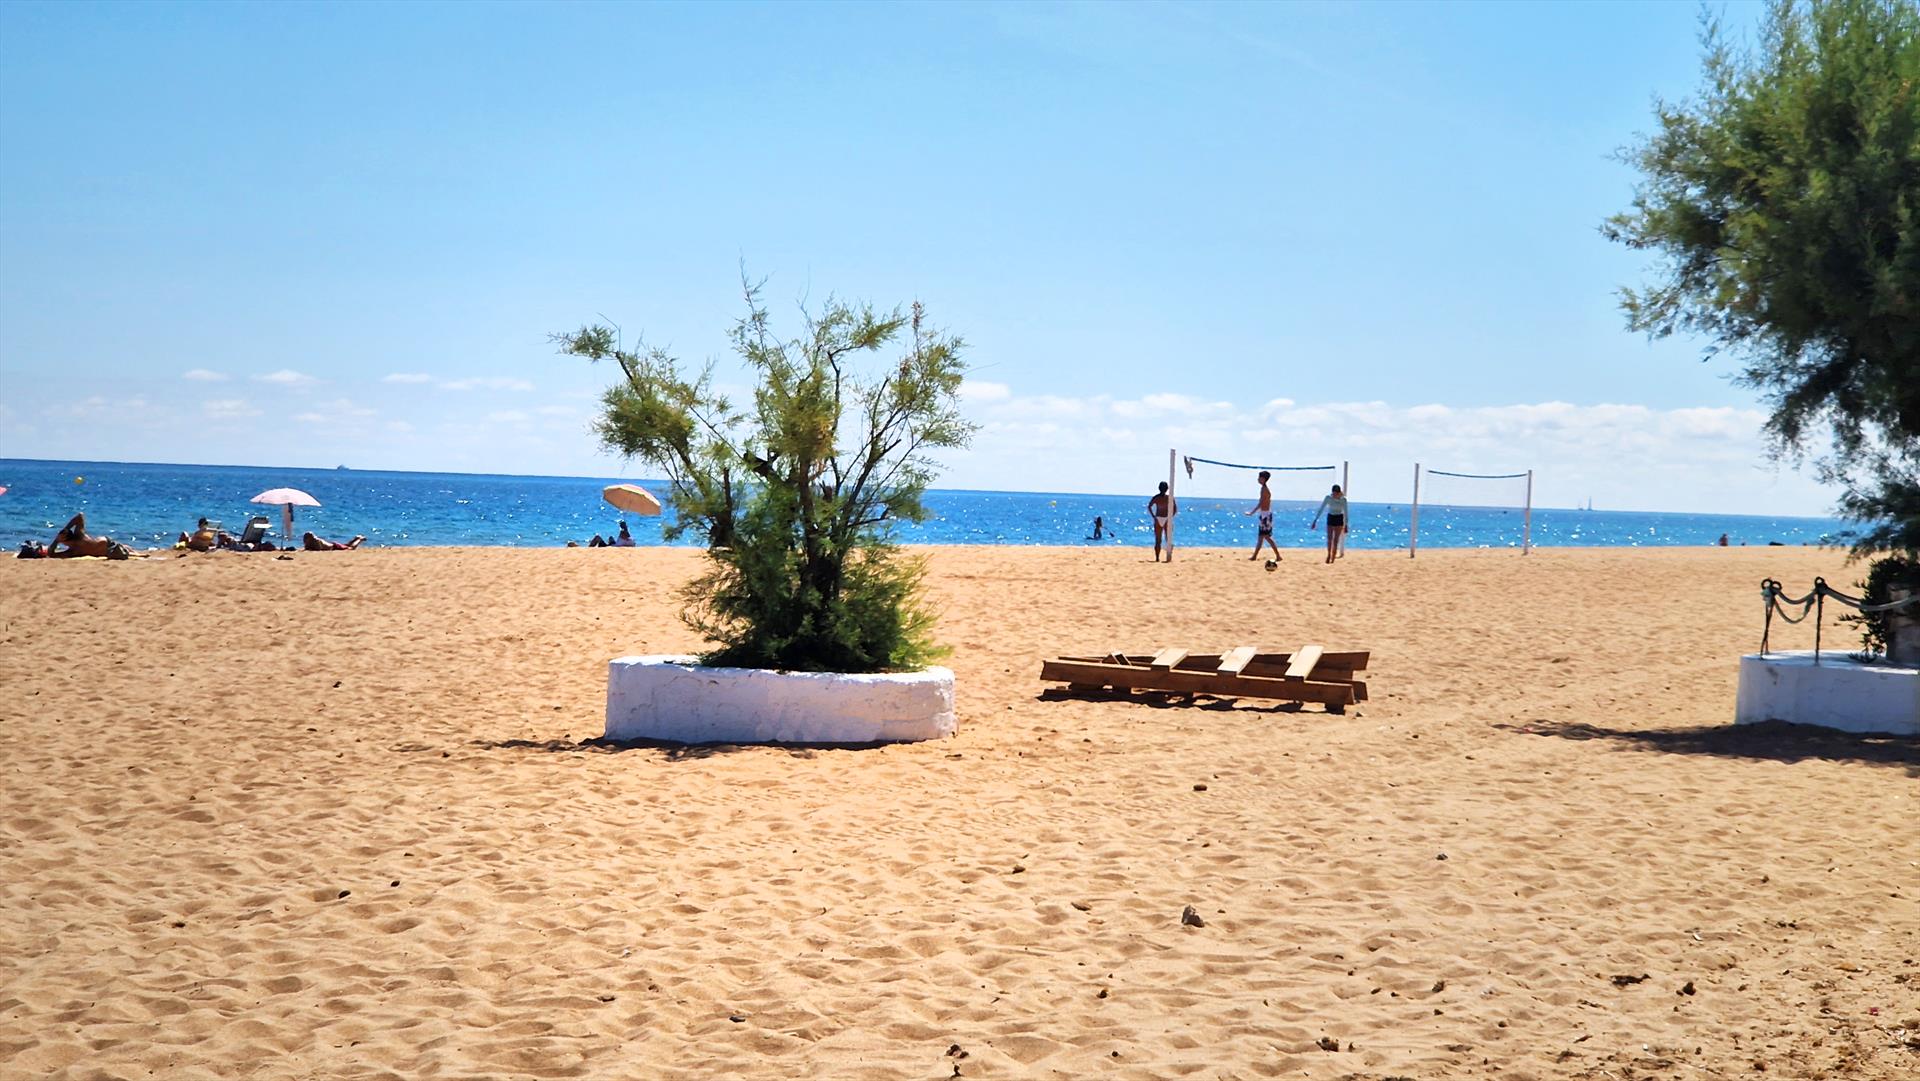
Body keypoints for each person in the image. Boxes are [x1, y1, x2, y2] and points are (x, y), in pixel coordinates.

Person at [48, 513, 128, 559]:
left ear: (63, 541)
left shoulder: (74, 550)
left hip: (108, 547)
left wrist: (56, 541)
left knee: (127, 550)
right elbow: (80, 516)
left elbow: (51, 554)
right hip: (107, 545)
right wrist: (66, 529)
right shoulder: (79, 536)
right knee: (127, 549)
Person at [1246, 471, 1281, 563]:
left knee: (1266, 537)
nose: (1258, 479)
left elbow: (1261, 503)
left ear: (1263, 479)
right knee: (1261, 537)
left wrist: (1252, 512)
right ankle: (1255, 556)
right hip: (1264, 514)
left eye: (1259, 478)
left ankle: (1278, 556)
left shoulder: (1264, 490)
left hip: (1265, 515)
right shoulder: (1264, 489)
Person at [1310, 484, 1348, 564]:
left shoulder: (1343, 500)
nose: (1335, 495)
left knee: (1336, 540)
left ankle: (1333, 557)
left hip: (1339, 518)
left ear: (1339, 493)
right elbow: (1321, 508)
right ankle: (1328, 555)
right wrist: (1315, 520)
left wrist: (1346, 524)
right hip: (1331, 517)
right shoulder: (1328, 498)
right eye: (1334, 493)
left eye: (1336, 493)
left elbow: (1346, 512)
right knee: (1329, 538)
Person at [1147, 482, 1177, 562]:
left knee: (1158, 540)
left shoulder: (1156, 497)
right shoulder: (1169, 498)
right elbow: (1175, 509)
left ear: (1159, 488)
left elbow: (1149, 506)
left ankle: (1157, 558)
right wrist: (1170, 517)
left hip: (1159, 518)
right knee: (1168, 539)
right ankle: (1168, 555)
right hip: (1166, 518)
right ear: (1167, 489)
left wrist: (1154, 516)